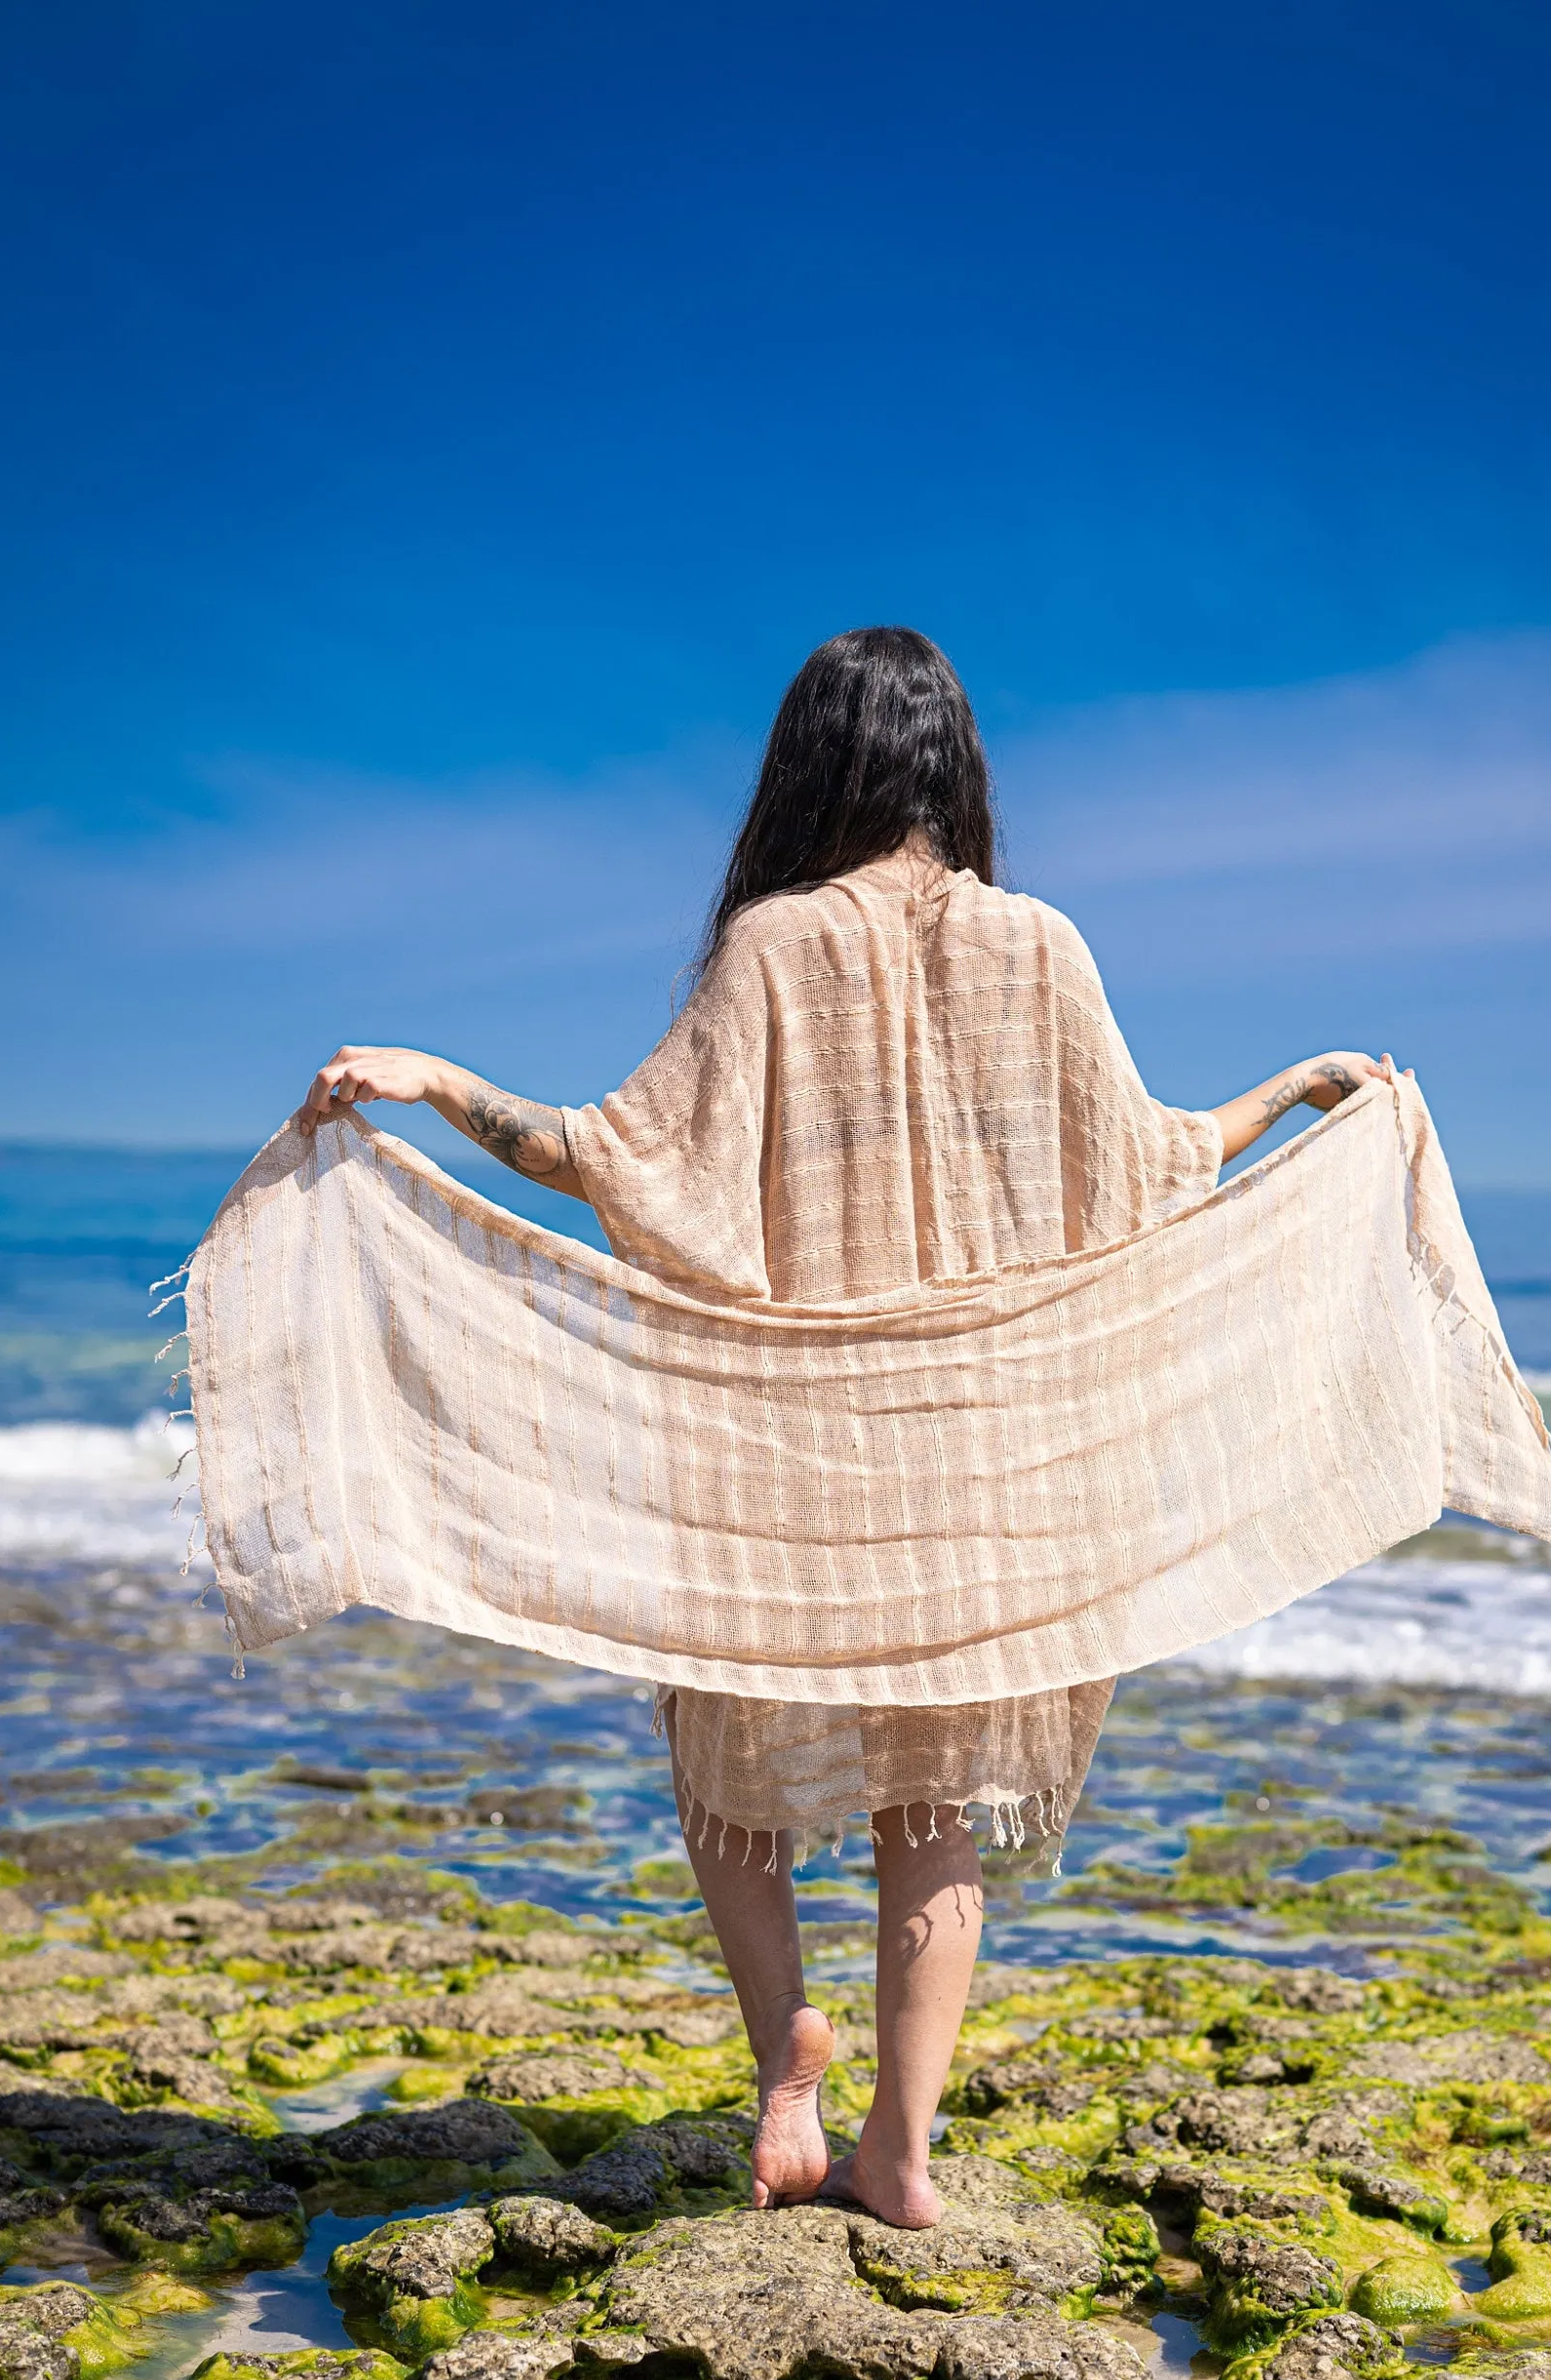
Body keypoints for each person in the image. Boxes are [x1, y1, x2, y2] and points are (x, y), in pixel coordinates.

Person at [296, 627, 1386, 2229]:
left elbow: (618, 1164)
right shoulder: (1043, 946)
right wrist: (1292, 1090)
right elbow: (1154, 1165)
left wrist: (440, 1083)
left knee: (725, 1761)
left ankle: (780, 2064)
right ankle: (904, 2154)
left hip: (787, 1438)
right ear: (955, 764)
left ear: (813, 761)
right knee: (931, 1809)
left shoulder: (772, 945)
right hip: (983, 1447)